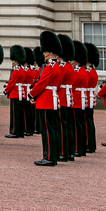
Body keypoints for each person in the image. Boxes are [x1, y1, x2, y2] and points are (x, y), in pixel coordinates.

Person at [28, 31, 63, 166]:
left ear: (51, 53)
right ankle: (52, 156)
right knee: (52, 129)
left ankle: (48, 157)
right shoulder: (58, 67)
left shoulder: (50, 67)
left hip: (46, 101)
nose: (43, 53)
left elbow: (41, 84)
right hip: (52, 99)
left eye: (45, 51)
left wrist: (31, 94)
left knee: (47, 130)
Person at [55, 34, 76, 162]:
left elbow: (57, 84)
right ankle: (69, 152)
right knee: (68, 126)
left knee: (62, 126)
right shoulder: (69, 66)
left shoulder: (62, 67)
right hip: (68, 97)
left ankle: (63, 152)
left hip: (62, 97)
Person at [5, 45, 28, 139]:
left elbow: (11, 83)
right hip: (21, 93)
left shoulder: (16, 71)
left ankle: (14, 131)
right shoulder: (22, 70)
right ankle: (20, 131)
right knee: (20, 114)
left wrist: (6, 90)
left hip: (15, 93)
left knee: (14, 114)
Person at [70, 40, 88, 158]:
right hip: (81, 99)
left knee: (76, 126)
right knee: (80, 125)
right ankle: (81, 148)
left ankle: (77, 148)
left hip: (76, 100)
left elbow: (72, 86)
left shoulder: (77, 72)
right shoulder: (83, 71)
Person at [84, 42, 100, 153]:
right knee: (88, 121)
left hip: (84, 98)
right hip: (89, 97)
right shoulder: (92, 71)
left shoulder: (88, 72)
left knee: (86, 122)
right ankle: (90, 144)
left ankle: (88, 144)